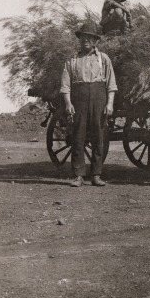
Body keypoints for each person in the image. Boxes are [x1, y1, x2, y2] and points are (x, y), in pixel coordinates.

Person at [59, 21, 118, 187]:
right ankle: (78, 175)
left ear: (95, 41)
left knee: (99, 136)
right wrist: (68, 103)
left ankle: (96, 174)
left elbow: (111, 84)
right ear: (80, 39)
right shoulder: (72, 60)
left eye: (89, 37)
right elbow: (65, 85)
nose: (86, 40)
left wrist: (110, 104)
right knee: (78, 136)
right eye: (83, 37)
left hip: (99, 98)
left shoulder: (103, 59)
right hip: (79, 99)